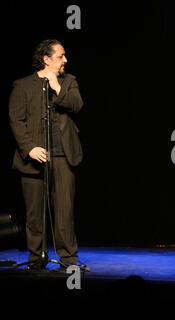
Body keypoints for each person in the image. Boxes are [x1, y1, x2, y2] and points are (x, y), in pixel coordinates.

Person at [8, 39, 86, 271]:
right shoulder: (22, 86)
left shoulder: (69, 82)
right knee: (34, 212)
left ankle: (68, 258)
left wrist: (56, 86)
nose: (65, 60)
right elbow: (16, 119)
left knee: (64, 210)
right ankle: (37, 257)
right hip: (33, 157)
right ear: (46, 59)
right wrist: (29, 147)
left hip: (63, 155)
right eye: (61, 56)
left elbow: (77, 105)